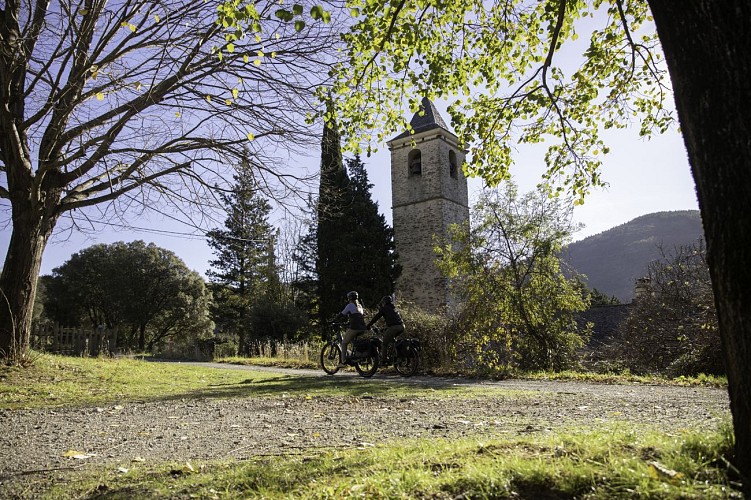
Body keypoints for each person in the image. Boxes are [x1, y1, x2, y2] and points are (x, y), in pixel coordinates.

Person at [366, 295, 405, 365]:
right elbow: (394, 320)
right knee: (392, 340)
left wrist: (369, 325)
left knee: (384, 343)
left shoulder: (384, 308)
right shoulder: (394, 308)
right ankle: (395, 355)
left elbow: (376, 317)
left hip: (394, 327)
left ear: (384, 302)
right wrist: (385, 328)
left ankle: (384, 360)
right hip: (402, 326)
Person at [338, 290, 368, 367]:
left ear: (349, 298)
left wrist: (334, 320)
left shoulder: (350, 305)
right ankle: (356, 354)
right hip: (363, 327)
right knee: (352, 340)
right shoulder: (360, 306)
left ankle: (343, 362)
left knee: (344, 343)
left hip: (355, 327)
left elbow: (342, 314)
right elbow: (358, 316)